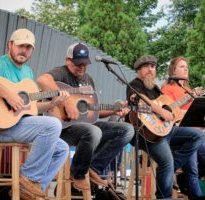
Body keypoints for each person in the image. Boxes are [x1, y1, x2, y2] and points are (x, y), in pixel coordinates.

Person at [0, 28, 69, 199]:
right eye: (20, 45)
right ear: (10, 45)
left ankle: (30, 190)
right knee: (53, 125)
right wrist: (7, 94)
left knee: (63, 149)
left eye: (28, 47)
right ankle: (29, 177)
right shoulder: (0, 63)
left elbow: (30, 109)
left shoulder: (28, 72)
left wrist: (52, 104)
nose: (24, 50)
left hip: (19, 124)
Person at [37, 42, 135, 191]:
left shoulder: (88, 80)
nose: (82, 66)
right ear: (68, 60)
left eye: (85, 63)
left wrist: (115, 110)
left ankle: (93, 167)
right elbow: (43, 80)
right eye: (78, 63)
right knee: (93, 131)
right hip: (62, 127)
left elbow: (92, 112)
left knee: (126, 130)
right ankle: (78, 174)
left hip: (85, 126)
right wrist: (67, 103)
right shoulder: (61, 73)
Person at [126, 55, 205, 199]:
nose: (150, 70)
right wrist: (160, 110)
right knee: (166, 161)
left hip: (164, 130)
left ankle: (172, 166)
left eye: (153, 67)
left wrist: (184, 101)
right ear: (139, 70)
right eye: (146, 67)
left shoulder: (155, 88)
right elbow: (141, 102)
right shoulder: (134, 85)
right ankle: (164, 197)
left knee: (198, 135)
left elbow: (169, 108)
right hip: (146, 134)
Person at [161, 56, 205, 198]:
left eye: (186, 66)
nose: (186, 69)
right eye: (182, 66)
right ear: (173, 70)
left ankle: (182, 180)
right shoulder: (167, 89)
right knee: (192, 171)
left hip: (197, 134)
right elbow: (169, 112)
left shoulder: (187, 89)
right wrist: (190, 110)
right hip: (183, 136)